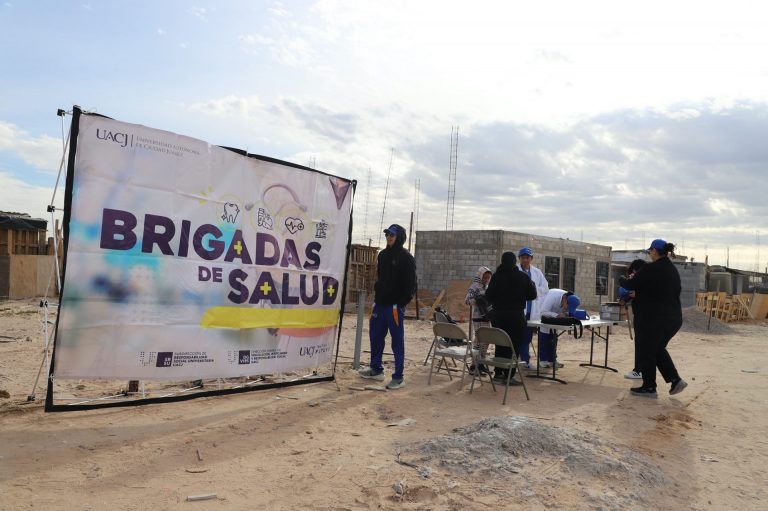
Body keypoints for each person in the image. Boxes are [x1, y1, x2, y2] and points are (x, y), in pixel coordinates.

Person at [619, 239, 687, 398]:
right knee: (656, 349)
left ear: (655, 251)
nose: (649, 254)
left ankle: (649, 387)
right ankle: (675, 380)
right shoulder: (672, 270)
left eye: (650, 251)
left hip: (656, 319)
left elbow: (630, 284)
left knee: (647, 350)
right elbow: (657, 290)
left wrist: (622, 279)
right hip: (674, 319)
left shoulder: (651, 268)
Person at [359, 224, 416, 390]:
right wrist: (377, 296)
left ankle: (398, 377)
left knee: (396, 341)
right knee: (375, 336)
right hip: (380, 304)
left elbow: (411, 284)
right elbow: (381, 278)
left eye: (392, 234)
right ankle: (376, 370)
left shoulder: (406, 257)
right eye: (387, 234)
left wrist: (400, 303)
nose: (389, 237)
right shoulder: (382, 255)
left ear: (399, 237)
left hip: (394, 307)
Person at [484, 252, 537, 382]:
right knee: (514, 345)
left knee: (500, 343)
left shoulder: (496, 276)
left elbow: (488, 296)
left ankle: (498, 373)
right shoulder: (523, 277)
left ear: (502, 261)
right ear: (515, 262)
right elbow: (532, 295)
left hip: (498, 316)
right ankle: (509, 375)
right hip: (516, 316)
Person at [516, 247, 549, 369]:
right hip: (518, 310)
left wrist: (533, 290)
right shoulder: (515, 271)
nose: (525, 260)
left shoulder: (537, 272)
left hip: (532, 311)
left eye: (528, 257)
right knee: (518, 337)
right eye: (523, 257)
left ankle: (525, 361)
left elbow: (545, 288)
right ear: (519, 258)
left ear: (531, 259)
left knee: (527, 338)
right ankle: (519, 361)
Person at [537, 289, 580, 368]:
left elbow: (568, 312)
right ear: (565, 300)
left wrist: (566, 314)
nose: (567, 309)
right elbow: (542, 312)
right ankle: (543, 361)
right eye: (568, 307)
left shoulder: (568, 299)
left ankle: (552, 360)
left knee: (553, 338)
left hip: (553, 316)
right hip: (542, 312)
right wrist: (557, 315)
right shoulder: (553, 297)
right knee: (544, 337)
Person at [620, 259, 647, 380]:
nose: (632, 275)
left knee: (642, 343)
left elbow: (649, 294)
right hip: (641, 315)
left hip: (645, 316)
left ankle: (639, 370)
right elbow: (632, 292)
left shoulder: (646, 279)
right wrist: (625, 299)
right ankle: (642, 370)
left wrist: (638, 294)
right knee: (642, 343)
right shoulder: (642, 279)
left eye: (634, 272)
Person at [465, 266, 492, 374]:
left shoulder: (488, 287)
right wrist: (477, 300)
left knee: (486, 341)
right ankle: (474, 365)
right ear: (480, 276)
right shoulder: (474, 286)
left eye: (488, 278)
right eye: (485, 277)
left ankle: (481, 364)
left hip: (486, 317)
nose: (486, 279)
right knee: (479, 341)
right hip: (478, 317)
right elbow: (467, 300)